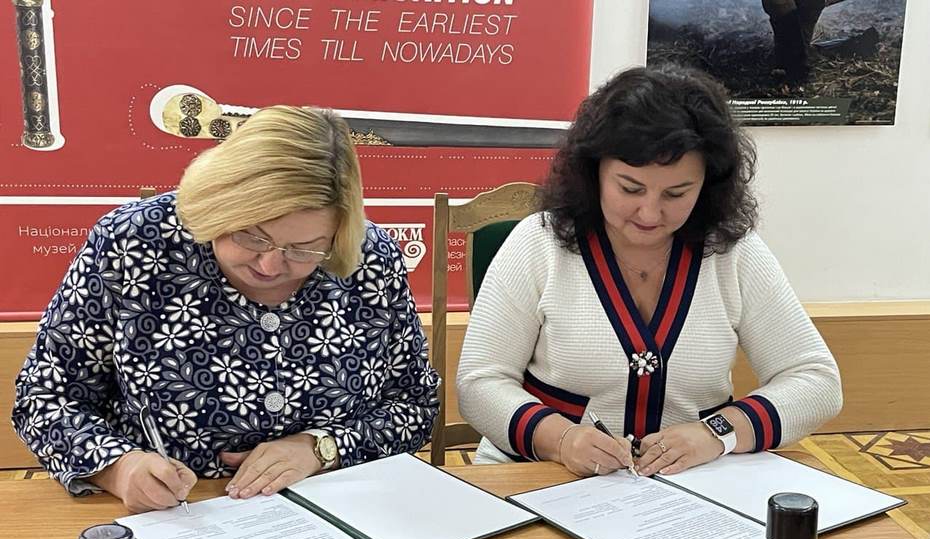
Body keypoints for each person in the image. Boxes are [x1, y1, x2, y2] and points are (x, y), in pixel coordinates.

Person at [13, 105, 439, 512]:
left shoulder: (370, 258)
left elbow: (414, 405)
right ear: (218, 205)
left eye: (304, 249)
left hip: (335, 511)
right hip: (174, 515)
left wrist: (321, 448)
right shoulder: (134, 242)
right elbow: (44, 396)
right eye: (251, 237)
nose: (270, 265)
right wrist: (120, 469)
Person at [457, 64, 842, 478]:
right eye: (630, 188)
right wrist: (560, 439)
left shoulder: (732, 253)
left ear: (708, 184)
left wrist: (716, 433)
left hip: (689, 488)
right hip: (540, 475)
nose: (650, 213)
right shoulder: (540, 242)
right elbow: (479, 383)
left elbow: (816, 381)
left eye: (676, 193)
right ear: (594, 171)